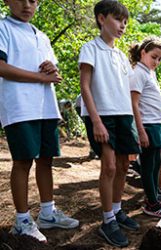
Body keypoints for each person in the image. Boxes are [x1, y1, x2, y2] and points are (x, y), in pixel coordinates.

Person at [0, 0, 79, 242]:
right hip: (20, 106)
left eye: (33, 0)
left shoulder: (42, 36)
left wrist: (52, 70)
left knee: (46, 160)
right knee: (23, 161)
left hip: (46, 107)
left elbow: (53, 73)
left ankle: (47, 213)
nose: (27, 5)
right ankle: (22, 220)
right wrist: (38, 76)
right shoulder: (3, 27)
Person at [79, 1, 141, 247]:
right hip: (101, 116)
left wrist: (135, 124)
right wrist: (96, 121)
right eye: (117, 20)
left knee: (125, 164)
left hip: (123, 115)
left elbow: (125, 91)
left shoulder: (121, 56)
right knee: (110, 166)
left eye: (125, 22)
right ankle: (107, 220)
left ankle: (116, 210)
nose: (122, 26)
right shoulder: (90, 49)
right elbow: (85, 86)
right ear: (101, 19)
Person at [129, 36, 161, 218]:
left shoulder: (149, 72)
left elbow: (149, 98)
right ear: (143, 53)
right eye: (154, 57)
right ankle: (152, 203)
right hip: (146, 125)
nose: (157, 62)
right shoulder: (138, 72)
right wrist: (140, 131)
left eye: (160, 59)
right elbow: (134, 103)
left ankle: (152, 198)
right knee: (148, 165)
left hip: (156, 123)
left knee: (155, 163)